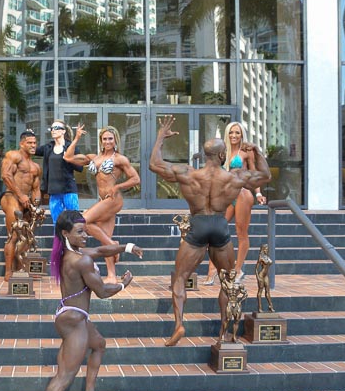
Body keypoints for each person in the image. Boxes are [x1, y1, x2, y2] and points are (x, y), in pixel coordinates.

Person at [149, 115, 271, 347]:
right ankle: (224, 332)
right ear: (223, 156)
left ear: (205, 155)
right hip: (219, 226)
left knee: (180, 278)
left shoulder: (188, 173)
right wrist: (256, 151)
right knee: (228, 281)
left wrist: (161, 137)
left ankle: (179, 325)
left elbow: (154, 164)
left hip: (198, 225)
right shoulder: (234, 176)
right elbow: (265, 176)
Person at [28, 210, 143, 391]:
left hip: (73, 315)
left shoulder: (70, 253)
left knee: (99, 344)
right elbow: (102, 292)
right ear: (65, 233)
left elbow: (101, 250)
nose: (86, 235)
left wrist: (127, 247)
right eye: (80, 232)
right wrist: (123, 284)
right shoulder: (80, 261)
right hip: (74, 322)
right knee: (63, 377)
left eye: (86, 230)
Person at [64, 125, 140, 283]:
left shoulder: (120, 159)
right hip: (102, 200)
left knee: (82, 221)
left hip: (113, 199)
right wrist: (77, 137)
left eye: (110, 139)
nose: (107, 141)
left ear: (115, 140)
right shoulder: (94, 158)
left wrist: (117, 187)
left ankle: (112, 244)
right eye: (104, 139)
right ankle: (111, 274)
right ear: (100, 140)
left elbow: (136, 179)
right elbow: (68, 157)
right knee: (105, 238)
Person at [203, 121, 266, 284]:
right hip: (226, 195)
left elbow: (254, 174)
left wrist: (258, 193)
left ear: (242, 134)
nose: (234, 135)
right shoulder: (222, 150)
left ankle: (238, 269)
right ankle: (212, 270)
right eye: (231, 132)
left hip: (242, 194)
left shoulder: (246, 152)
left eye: (237, 132)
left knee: (241, 232)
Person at [0, 129, 41, 280]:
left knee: (27, 236)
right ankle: (8, 271)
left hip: (26, 201)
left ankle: (22, 268)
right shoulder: (13, 156)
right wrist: (21, 195)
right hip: (11, 196)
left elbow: (36, 189)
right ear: (22, 143)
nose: (33, 145)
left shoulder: (36, 166)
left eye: (35, 143)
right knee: (14, 235)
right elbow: (6, 175)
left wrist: (35, 205)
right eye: (29, 143)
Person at [38, 120, 83, 227]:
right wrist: (29, 135)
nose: (53, 130)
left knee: (75, 220)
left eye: (56, 128)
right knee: (57, 222)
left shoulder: (70, 147)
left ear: (63, 131)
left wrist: (69, 159)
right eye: (52, 128)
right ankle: (58, 239)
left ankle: (76, 238)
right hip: (54, 191)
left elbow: (80, 167)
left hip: (69, 190)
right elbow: (32, 150)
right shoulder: (48, 147)